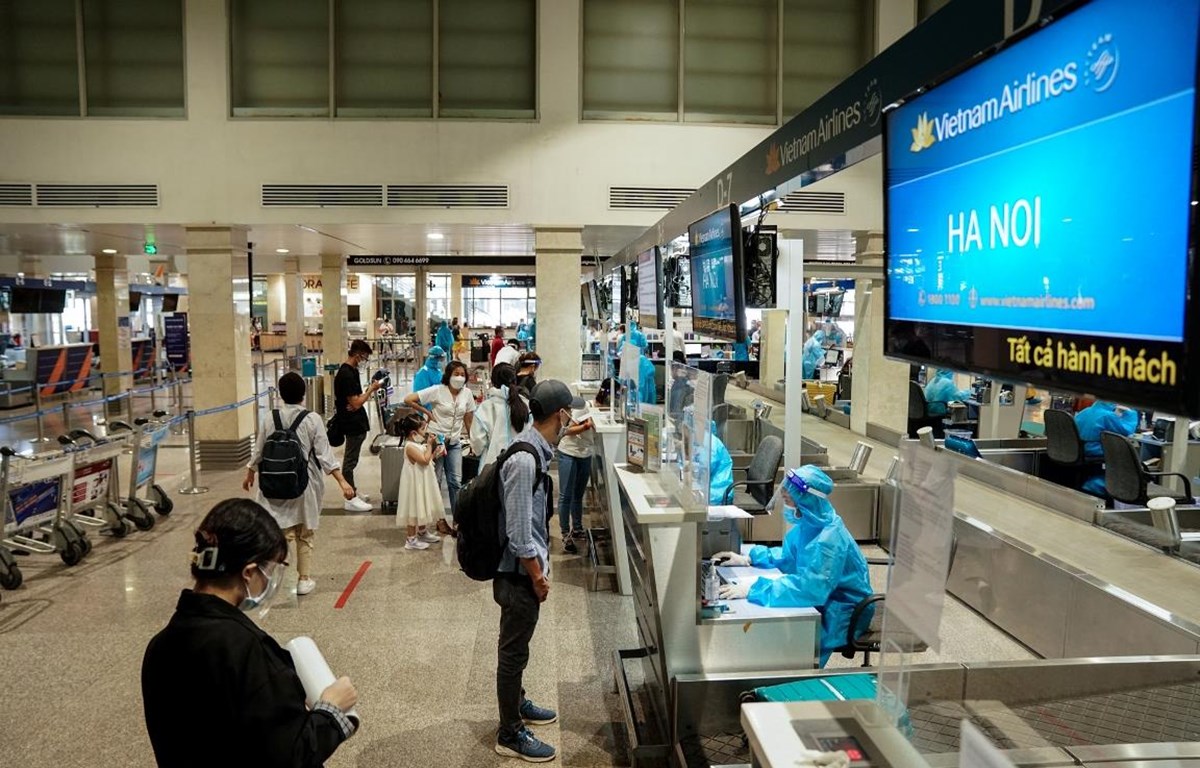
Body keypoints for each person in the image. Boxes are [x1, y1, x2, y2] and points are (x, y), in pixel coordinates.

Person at [142, 499, 359, 766]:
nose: (271, 580)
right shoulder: (247, 650)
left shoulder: (159, 647)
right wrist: (330, 711)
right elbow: (289, 755)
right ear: (249, 572)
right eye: (272, 569)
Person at [493, 380, 582, 762]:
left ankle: (519, 703)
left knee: (519, 649)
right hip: (517, 575)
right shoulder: (525, 460)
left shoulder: (535, 447)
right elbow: (517, 531)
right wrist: (537, 575)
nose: (571, 419)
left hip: (521, 572)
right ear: (560, 414)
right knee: (512, 653)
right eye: (569, 414)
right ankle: (509, 732)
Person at [713, 465, 872, 667]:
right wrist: (749, 557)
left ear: (806, 499)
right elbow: (789, 557)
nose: (786, 503)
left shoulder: (828, 539)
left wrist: (754, 589)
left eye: (789, 500)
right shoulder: (811, 524)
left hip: (843, 612)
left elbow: (810, 589)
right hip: (825, 600)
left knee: (793, 654)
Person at [243, 372, 356, 596]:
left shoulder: (270, 417)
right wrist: (342, 482)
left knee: (283, 533)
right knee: (305, 533)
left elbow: (259, 450)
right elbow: (325, 455)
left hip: (274, 484)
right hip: (305, 484)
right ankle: (304, 579)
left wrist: (250, 472)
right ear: (303, 393)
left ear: (281, 394)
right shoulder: (312, 419)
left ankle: (281, 580)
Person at [403, 359, 477, 524]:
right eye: (456, 374)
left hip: (455, 443)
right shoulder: (437, 390)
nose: (459, 377)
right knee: (435, 481)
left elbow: (469, 419)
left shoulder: (467, 394)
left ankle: (458, 521)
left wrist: (473, 441)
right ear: (448, 375)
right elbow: (409, 399)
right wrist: (427, 412)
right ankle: (438, 521)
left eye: (462, 375)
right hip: (436, 441)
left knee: (455, 482)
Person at [333, 340, 382, 512]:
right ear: (357, 354)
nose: (365, 360)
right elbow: (356, 403)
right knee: (349, 462)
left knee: (352, 461)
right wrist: (371, 389)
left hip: (357, 422)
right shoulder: (345, 374)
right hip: (351, 423)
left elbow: (355, 401)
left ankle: (353, 490)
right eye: (364, 357)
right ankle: (350, 498)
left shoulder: (352, 371)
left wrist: (359, 399)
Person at [395, 413, 445, 551]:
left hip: (422, 481)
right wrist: (429, 445)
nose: (425, 433)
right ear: (413, 433)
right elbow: (423, 460)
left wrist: (435, 452)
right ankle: (411, 539)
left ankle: (422, 531)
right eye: (423, 430)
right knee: (413, 508)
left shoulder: (417, 444)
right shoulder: (410, 447)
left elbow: (428, 458)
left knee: (423, 505)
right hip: (414, 484)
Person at [471, 362, 530, 467]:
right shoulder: (526, 404)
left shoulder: (486, 407)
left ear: (493, 381)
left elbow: (477, 443)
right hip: (523, 464)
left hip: (492, 468)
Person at [1075, 401, 1139, 495]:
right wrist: (1131, 413)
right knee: (1129, 457)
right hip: (1096, 451)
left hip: (1081, 450)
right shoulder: (1107, 416)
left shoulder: (1084, 412)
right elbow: (1126, 430)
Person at [557, 400, 594, 554]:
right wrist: (584, 426)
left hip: (585, 454)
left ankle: (577, 528)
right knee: (566, 495)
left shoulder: (593, 409)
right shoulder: (579, 407)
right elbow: (565, 431)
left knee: (578, 494)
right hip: (568, 452)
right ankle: (565, 533)